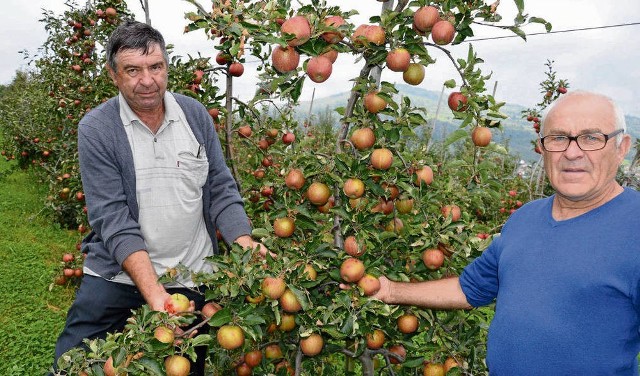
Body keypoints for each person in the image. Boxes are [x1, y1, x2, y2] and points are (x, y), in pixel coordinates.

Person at [51, 20, 266, 375]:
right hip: (117, 275)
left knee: (181, 366)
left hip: (191, 276)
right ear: (114, 75)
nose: (147, 80)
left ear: (167, 67)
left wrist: (245, 245)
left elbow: (220, 190)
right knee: (73, 365)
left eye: (155, 67)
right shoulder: (97, 128)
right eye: (132, 70)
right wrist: (153, 293)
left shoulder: (194, 115)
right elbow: (112, 218)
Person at [373, 90, 640, 375]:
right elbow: (470, 289)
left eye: (591, 138)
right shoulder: (525, 218)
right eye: (559, 138)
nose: (572, 152)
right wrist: (390, 290)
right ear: (543, 147)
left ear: (621, 147)